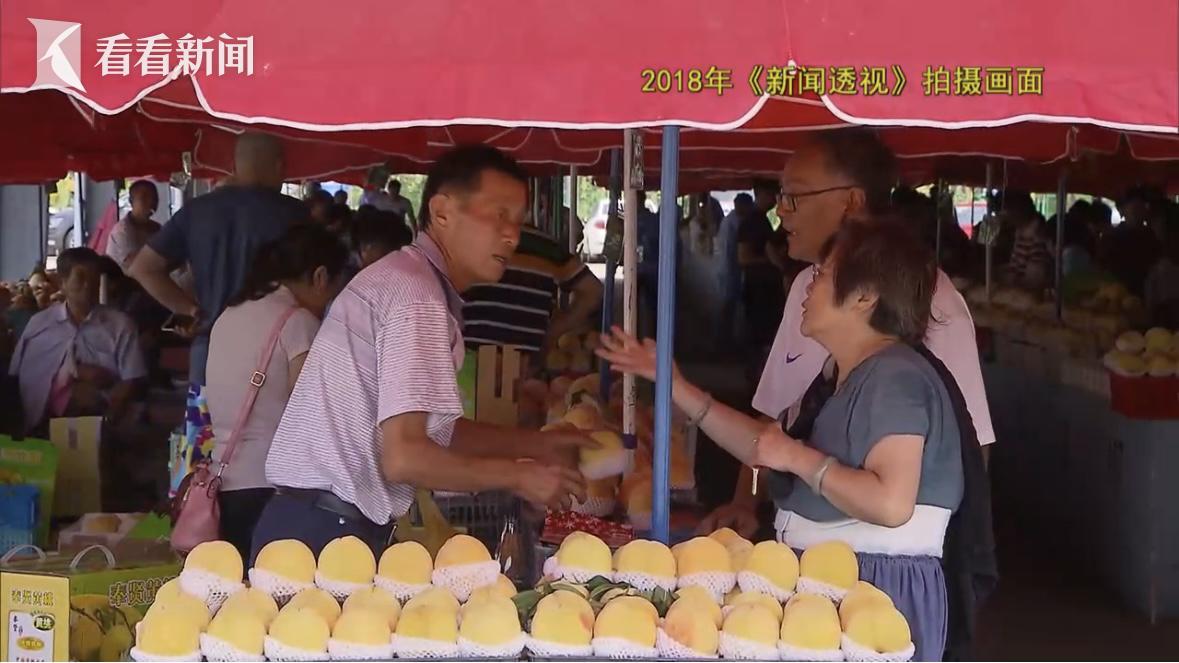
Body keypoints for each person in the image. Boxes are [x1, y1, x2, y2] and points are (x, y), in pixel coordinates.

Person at [598, 221, 962, 661]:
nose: (805, 284)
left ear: (865, 296)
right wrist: (676, 386)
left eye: (822, 273)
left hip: (874, 590)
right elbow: (764, 445)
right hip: (838, 585)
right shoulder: (844, 375)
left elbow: (890, 503)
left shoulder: (895, 378)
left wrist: (795, 457)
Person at [249, 145, 590, 560]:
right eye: (499, 216)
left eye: (519, 222)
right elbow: (405, 456)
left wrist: (535, 446)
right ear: (442, 211)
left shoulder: (409, 281)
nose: (512, 236)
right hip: (325, 533)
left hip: (310, 523)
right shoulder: (416, 298)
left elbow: (431, 430)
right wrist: (519, 475)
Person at [702, 128, 995, 536]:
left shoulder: (932, 302)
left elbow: (968, 447)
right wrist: (745, 502)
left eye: (794, 197)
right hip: (808, 559)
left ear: (852, 201)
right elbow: (772, 427)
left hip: (883, 572)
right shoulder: (807, 293)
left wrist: (935, 559)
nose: (780, 213)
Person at [130, 132, 308, 467]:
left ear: (235, 167)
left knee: (202, 450)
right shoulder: (295, 215)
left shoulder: (198, 212)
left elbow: (143, 268)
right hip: (278, 350)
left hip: (210, 348)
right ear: (277, 166)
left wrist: (191, 309)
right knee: (277, 449)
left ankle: (197, 513)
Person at [204, 226, 349, 560]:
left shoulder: (229, 314)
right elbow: (313, 414)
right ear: (320, 276)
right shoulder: (298, 322)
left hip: (223, 483)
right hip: (270, 489)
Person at [9, 248, 146, 435]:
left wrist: (111, 411)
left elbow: (132, 378)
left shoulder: (120, 325)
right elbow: (20, 375)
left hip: (104, 421)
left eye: (95, 278)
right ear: (62, 283)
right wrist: (72, 373)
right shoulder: (40, 324)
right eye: (80, 277)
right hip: (43, 423)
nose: (88, 285)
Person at [463, 220, 603, 361]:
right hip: (526, 364)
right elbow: (592, 290)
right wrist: (553, 332)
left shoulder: (466, 241)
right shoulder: (547, 247)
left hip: (466, 362)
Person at [738, 179, 788, 352]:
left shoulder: (762, 221)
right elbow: (743, 257)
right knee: (760, 330)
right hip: (758, 285)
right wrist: (774, 262)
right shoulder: (752, 222)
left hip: (765, 285)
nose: (774, 200)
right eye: (771, 195)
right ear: (759, 194)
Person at [1100, 185, 1162, 295]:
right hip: (1117, 294)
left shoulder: (1152, 236)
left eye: (1142, 207)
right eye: (1135, 208)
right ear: (1121, 210)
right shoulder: (1111, 237)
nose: (1139, 211)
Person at [716, 193, 753, 345]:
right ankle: (723, 342)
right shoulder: (733, 222)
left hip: (730, 269)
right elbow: (731, 251)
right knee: (727, 307)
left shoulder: (733, 220)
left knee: (730, 307)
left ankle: (726, 341)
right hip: (729, 269)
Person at [106, 181, 162, 272]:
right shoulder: (122, 230)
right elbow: (135, 264)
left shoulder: (156, 228)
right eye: (144, 197)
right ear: (131, 201)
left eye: (154, 198)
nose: (151, 201)